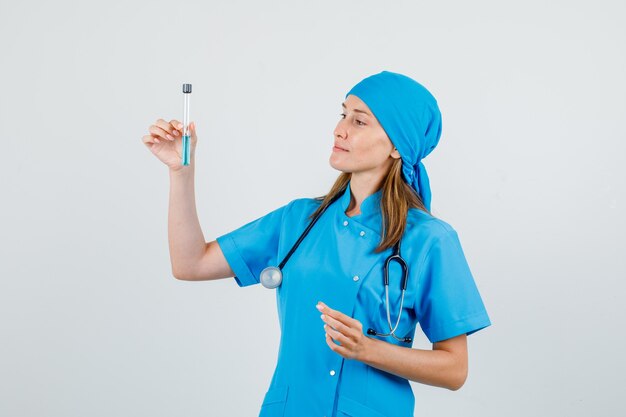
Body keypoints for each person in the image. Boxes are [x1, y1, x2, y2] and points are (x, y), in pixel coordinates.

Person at [142, 70, 492, 417]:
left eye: (360, 122)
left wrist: (367, 349)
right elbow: (191, 264)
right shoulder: (299, 220)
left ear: (399, 145)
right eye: (343, 115)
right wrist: (180, 173)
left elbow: (454, 369)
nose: (339, 129)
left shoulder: (429, 240)